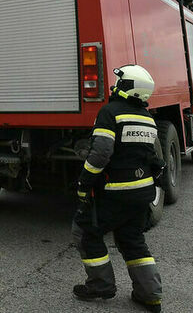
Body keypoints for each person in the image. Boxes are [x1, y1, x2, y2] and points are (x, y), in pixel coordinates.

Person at [71, 64, 165, 312]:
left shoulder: (110, 113)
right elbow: (155, 160)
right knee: (132, 239)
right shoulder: (148, 119)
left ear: (126, 87)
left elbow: (101, 153)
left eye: (120, 82)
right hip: (142, 193)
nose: (115, 86)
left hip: (113, 193)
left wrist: (84, 182)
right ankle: (151, 295)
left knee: (85, 232)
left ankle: (100, 285)